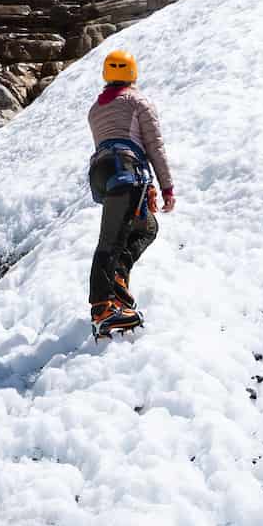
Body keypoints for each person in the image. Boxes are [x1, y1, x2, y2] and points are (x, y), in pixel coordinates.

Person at [86, 49, 175, 336]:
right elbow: (154, 147)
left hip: (102, 173)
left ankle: (118, 280)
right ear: (133, 73)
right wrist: (166, 186)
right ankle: (103, 308)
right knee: (112, 238)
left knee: (145, 226)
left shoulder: (96, 109)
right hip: (127, 171)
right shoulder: (139, 102)